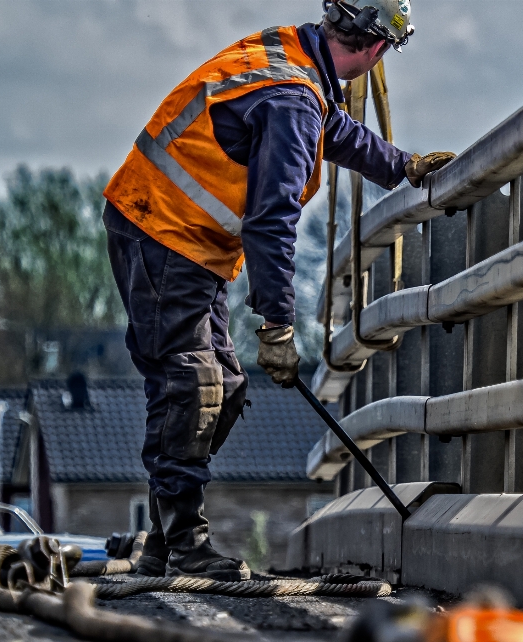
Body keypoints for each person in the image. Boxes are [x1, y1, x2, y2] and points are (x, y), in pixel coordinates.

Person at [102, 0, 456, 581]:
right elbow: (271, 221)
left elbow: (332, 130)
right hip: (161, 228)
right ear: (375, 48)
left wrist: (402, 165)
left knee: (226, 389)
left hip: (185, 236)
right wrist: (278, 328)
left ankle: (164, 541)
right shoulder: (292, 99)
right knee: (192, 383)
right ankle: (184, 542)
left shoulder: (292, 54)